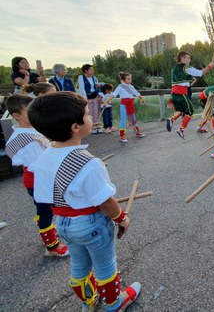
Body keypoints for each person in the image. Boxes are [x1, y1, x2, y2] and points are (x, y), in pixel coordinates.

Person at [28, 92, 141, 312]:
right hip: (91, 223)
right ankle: (114, 304)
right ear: (75, 127)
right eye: (88, 114)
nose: (91, 118)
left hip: (63, 223)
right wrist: (122, 218)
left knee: (79, 266)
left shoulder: (42, 159)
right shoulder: (89, 163)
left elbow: (45, 198)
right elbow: (106, 203)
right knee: (106, 265)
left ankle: (88, 302)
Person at [5, 95, 69, 257]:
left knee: (44, 209)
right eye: (30, 111)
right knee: (47, 211)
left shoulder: (28, 131)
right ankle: (52, 246)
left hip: (37, 179)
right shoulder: (28, 139)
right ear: (17, 116)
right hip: (39, 181)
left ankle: (43, 224)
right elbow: (40, 165)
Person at [166, 51, 214, 139]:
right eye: (188, 58)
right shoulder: (185, 67)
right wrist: (209, 66)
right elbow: (200, 73)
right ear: (182, 58)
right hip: (181, 93)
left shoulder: (174, 69)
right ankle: (179, 128)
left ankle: (173, 121)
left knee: (183, 110)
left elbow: (183, 81)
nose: (190, 60)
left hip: (174, 93)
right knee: (190, 111)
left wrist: (191, 80)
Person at [108, 72, 146, 143]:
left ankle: (137, 132)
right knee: (123, 120)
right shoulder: (120, 87)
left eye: (130, 78)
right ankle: (122, 136)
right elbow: (114, 94)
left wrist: (142, 98)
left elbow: (136, 93)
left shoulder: (131, 86)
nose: (130, 80)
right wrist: (107, 100)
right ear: (123, 80)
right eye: (128, 79)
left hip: (130, 104)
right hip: (124, 105)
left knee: (133, 119)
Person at [77, 64, 101, 132]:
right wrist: (85, 97)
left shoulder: (94, 78)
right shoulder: (81, 77)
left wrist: (98, 87)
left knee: (96, 111)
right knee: (90, 111)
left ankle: (97, 125)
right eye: (91, 69)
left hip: (95, 95)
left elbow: (96, 87)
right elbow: (82, 88)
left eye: (92, 69)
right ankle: (92, 126)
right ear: (86, 71)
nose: (93, 71)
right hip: (88, 96)